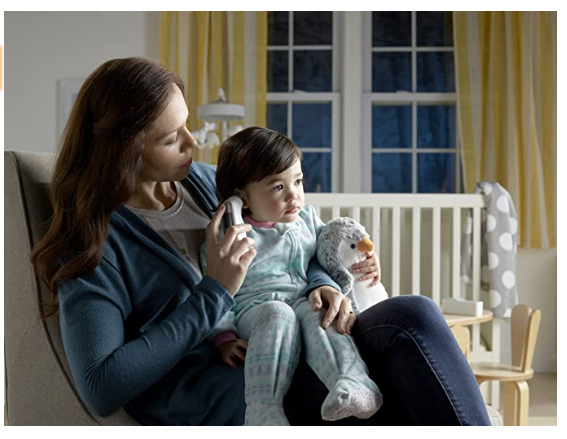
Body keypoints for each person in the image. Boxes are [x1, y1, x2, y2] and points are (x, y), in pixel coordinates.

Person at [31, 56, 492, 426]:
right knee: (403, 389)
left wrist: (323, 281)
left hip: (303, 339)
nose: (192, 143)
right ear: (124, 150)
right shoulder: (91, 243)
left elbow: (294, 234)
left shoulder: (206, 183)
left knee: (414, 315)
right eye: (172, 139)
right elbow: (101, 386)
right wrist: (215, 291)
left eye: (187, 124)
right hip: (239, 384)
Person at [200, 127, 382, 425]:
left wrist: (366, 260)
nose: (293, 195)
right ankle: (263, 411)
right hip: (256, 311)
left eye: (297, 181)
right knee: (278, 313)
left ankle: (354, 383)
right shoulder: (228, 238)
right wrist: (223, 338)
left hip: (301, 301)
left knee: (320, 310)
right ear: (242, 198)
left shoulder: (307, 220)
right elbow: (215, 290)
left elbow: (331, 253)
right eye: (277, 187)